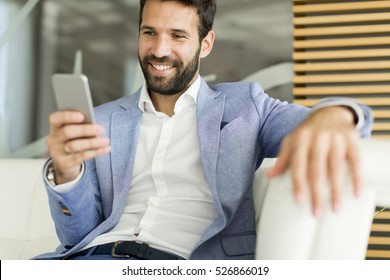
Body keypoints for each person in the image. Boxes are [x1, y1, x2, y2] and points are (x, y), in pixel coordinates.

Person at [36, 0, 372, 260]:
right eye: (149, 32)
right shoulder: (103, 120)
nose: (159, 50)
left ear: (206, 43)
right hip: (90, 261)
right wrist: (67, 174)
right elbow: (74, 239)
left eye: (178, 36)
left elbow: (326, 122)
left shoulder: (245, 106)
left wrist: (336, 114)